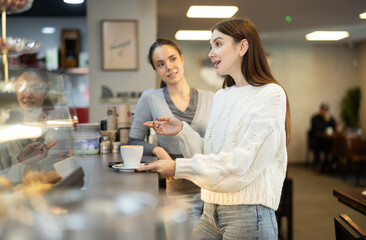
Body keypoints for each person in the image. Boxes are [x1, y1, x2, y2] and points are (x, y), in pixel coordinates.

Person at [138, 18, 291, 240]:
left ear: (242, 47)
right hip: (211, 210)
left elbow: (242, 166)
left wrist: (177, 167)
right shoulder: (222, 96)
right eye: (211, 46)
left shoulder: (271, 94)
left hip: (248, 215)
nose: (211, 53)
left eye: (218, 44)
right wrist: (183, 130)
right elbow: (210, 155)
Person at [128, 39, 214, 233]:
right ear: (156, 70)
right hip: (179, 192)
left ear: (182, 59)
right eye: (160, 64)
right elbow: (133, 141)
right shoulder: (150, 98)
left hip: (213, 190)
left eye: (172, 59)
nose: (169, 67)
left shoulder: (211, 98)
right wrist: (159, 150)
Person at [0, 68, 58, 184]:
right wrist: (23, 163)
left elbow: (68, 171)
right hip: (18, 199)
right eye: (21, 88)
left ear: (46, 93)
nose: (27, 94)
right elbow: (3, 180)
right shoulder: (6, 134)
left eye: (35, 88)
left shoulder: (58, 130)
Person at [310, 102, 336, 173]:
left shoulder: (330, 118)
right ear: (320, 110)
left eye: (326, 110)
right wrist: (326, 121)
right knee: (317, 145)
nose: (324, 112)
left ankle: (329, 164)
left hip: (326, 140)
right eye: (323, 110)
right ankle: (318, 164)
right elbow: (317, 128)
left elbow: (334, 127)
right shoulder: (315, 118)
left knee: (333, 144)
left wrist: (329, 120)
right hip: (317, 140)